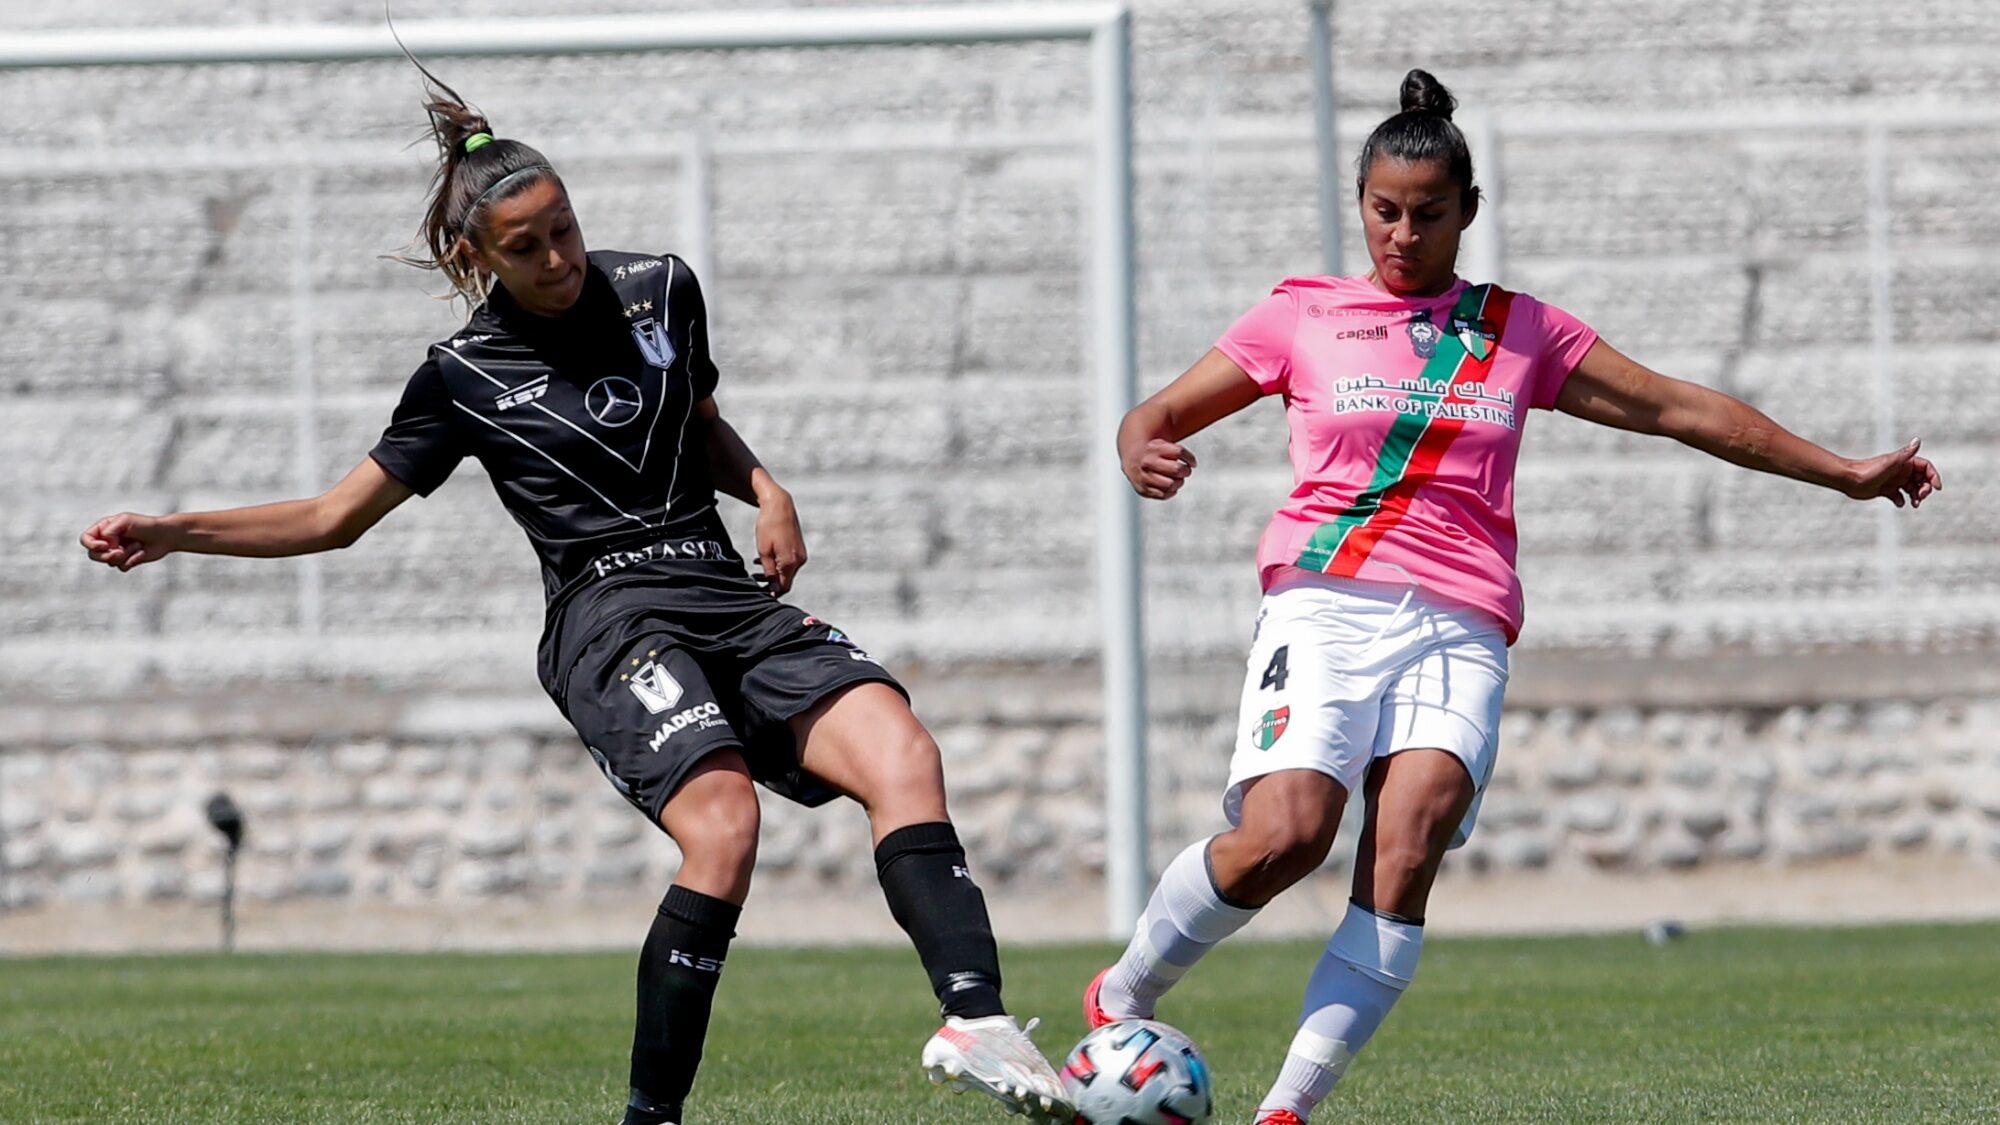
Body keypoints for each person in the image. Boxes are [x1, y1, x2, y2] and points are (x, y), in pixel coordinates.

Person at [79, 75, 1072, 1125]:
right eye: (526, 246)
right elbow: (335, 517)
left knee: (903, 752)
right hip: (608, 619)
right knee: (724, 825)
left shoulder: (659, 287)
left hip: (719, 587)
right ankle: (651, 1117)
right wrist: (173, 531)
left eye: (564, 228)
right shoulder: (461, 375)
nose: (557, 258)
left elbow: (695, 419)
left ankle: (974, 1019)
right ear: (476, 259)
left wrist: (770, 491)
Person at [1082, 69, 1942, 1125]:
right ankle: (1120, 995)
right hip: (1325, 601)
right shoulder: (1301, 314)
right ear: (1359, 204)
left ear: (1467, 213)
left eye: (1427, 214)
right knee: (1286, 834)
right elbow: (1155, 410)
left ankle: (1286, 1110)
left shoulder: (1516, 330)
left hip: (1461, 620)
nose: (1401, 234)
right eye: (1382, 211)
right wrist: (1141, 450)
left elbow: (1677, 407)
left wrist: (1842, 471)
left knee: (1406, 851)